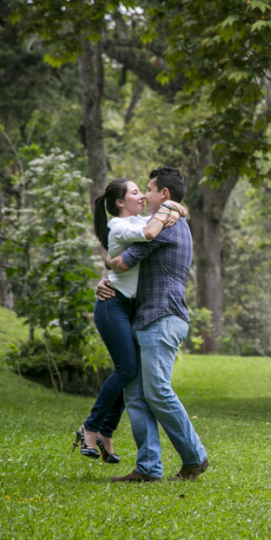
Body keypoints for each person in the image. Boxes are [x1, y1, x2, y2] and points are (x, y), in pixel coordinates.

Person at [96, 166, 209, 483]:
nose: (144, 195)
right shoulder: (166, 219)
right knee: (136, 393)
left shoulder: (166, 226)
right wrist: (105, 283)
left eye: (149, 189)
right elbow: (122, 268)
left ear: (165, 195)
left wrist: (108, 268)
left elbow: (121, 261)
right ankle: (148, 468)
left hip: (162, 315)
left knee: (157, 391)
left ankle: (195, 457)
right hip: (147, 316)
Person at [73, 178, 186, 463]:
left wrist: (175, 209)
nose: (143, 197)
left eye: (144, 191)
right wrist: (169, 209)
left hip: (130, 306)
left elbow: (154, 224)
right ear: (120, 202)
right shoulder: (120, 225)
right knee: (126, 370)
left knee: (132, 373)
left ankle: (106, 432)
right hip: (113, 305)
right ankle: (90, 426)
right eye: (136, 192)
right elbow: (148, 234)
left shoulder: (139, 221)